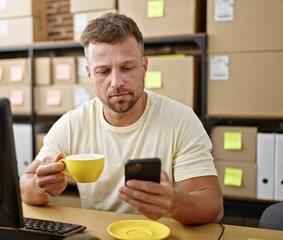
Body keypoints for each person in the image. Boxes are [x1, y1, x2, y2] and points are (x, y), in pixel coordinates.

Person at [19, 12, 223, 224]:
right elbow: (25, 186)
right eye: (103, 71)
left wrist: (173, 202)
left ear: (144, 67)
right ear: (90, 75)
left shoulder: (180, 120)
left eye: (126, 68)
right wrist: (39, 186)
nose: (116, 82)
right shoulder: (73, 123)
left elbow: (212, 205)